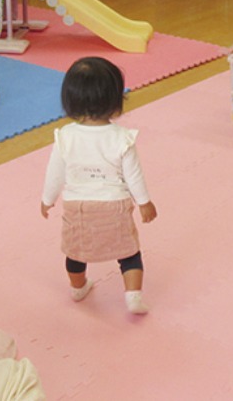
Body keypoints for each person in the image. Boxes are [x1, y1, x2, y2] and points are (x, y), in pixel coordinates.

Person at [41, 57, 158, 315]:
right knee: (129, 253)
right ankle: (133, 297)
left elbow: (55, 174)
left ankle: (78, 287)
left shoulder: (66, 137)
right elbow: (133, 175)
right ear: (115, 102)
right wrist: (144, 202)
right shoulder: (122, 138)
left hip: (77, 206)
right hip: (114, 204)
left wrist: (47, 199)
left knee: (76, 252)